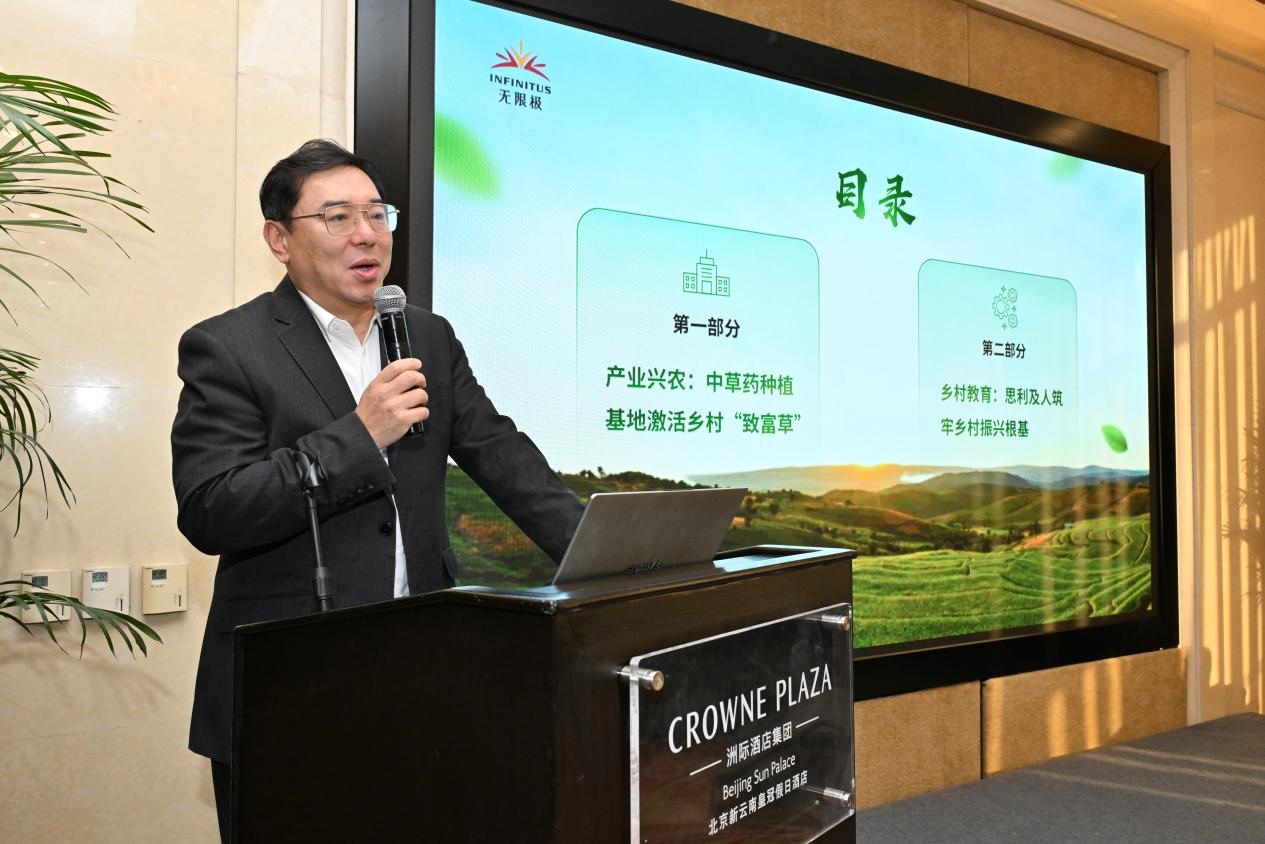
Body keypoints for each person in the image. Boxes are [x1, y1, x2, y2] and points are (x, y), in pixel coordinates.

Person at [171, 139, 584, 841]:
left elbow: (500, 453)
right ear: (279, 239)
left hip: (425, 670)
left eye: (376, 213)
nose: (366, 234)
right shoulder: (229, 346)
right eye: (337, 217)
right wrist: (359, 436)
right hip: (291, 686)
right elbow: (213, 508)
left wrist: (605, 550)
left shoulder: (425, 334)